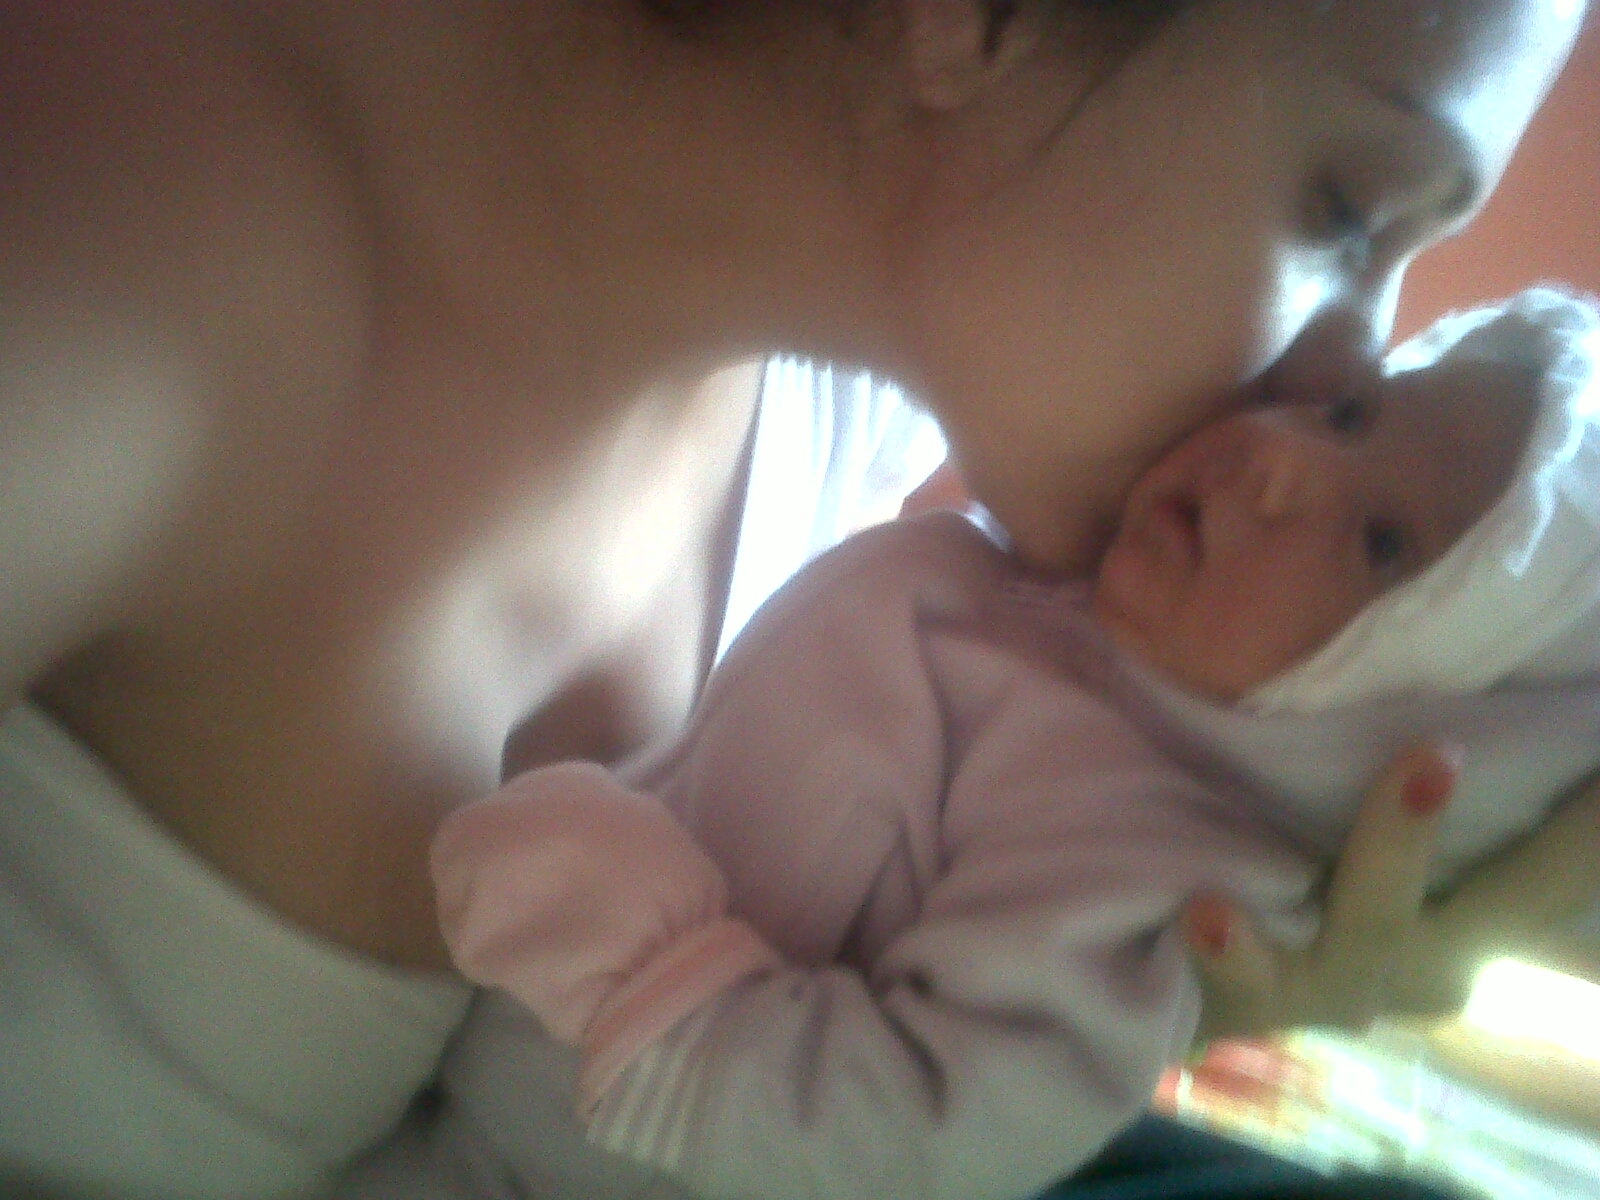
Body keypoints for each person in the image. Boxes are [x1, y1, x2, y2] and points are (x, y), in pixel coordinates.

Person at [0, 2, 1591, 1197]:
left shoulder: (878, 355)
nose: (1345, 367)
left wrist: (1231, 914)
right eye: (1347, 212)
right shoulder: (105, 293)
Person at [359, 288, 1600, 1200]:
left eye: (1381, 545)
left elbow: (924, 1138)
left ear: (1391, 726)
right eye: (1349, 413)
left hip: (595, 1151)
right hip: (517, 1058)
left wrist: (664, 999)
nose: (1285, 456)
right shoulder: (1094, 629)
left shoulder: (1150, 860)